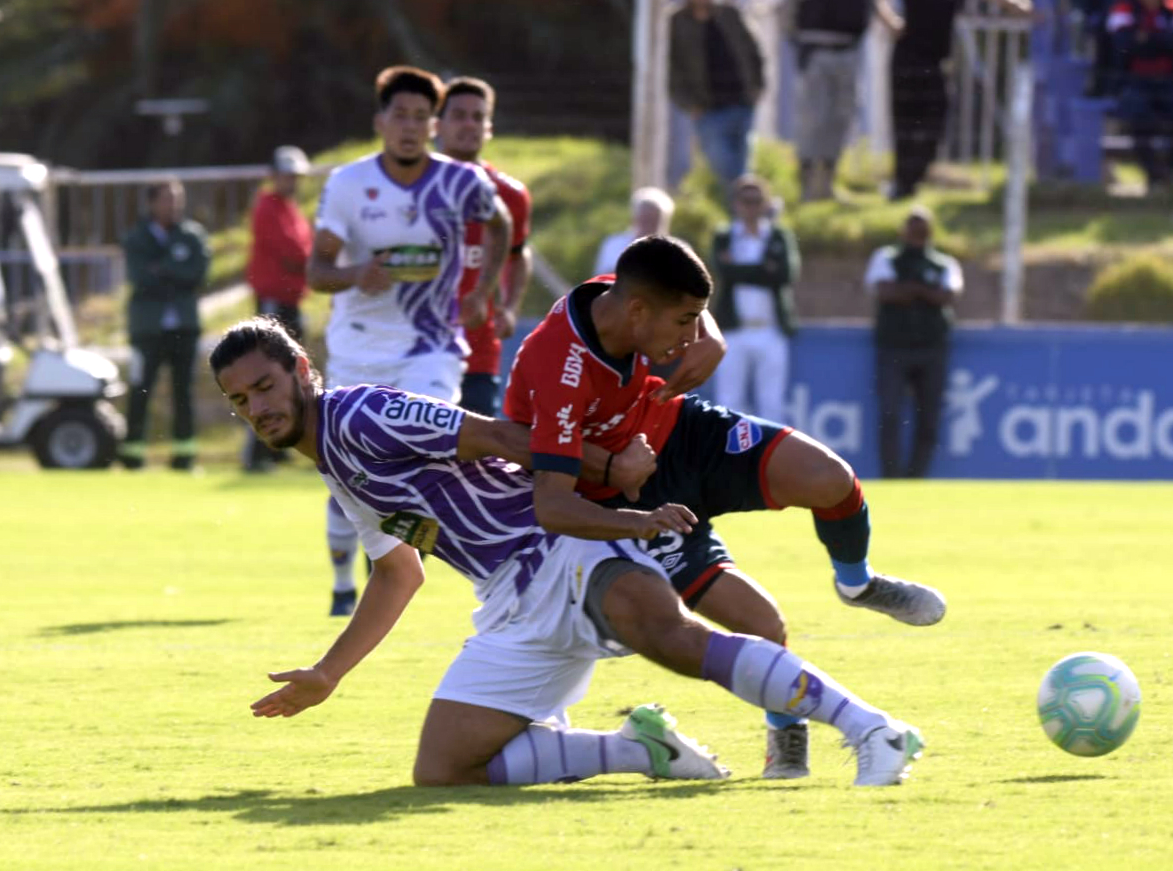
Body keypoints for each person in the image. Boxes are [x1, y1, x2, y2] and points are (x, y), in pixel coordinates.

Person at [211, 317, 926, 788]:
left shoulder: (362, 413)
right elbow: (399, 570)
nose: (258, 407)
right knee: (444, 770)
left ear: (303, 368)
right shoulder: (334, 465)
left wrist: (606, 471)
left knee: (674, 639)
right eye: (241, 400)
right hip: (512, 600)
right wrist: (331, 673)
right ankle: (640, 748)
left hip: (560, 542)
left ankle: (874, 731)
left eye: (266, 385)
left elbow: (496, 435)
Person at [503, 236, 945, 781]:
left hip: (681, 431)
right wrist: (622, 486)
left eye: (696, 319)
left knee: (830, 478)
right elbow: (552, 502)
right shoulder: (560, 366)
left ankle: (857, 583)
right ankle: (786, 740)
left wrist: (712, 336)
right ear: (639, 312)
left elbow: (673, 260)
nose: (690, 336)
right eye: (684, 322)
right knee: (763, 624)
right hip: (629, 497)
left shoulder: (619, 295)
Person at [306, 65, 514, 617]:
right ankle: (342, 583)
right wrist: (357, 274)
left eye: (421, 117)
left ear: (434, 125)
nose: (410, 126)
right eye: (400, 114)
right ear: (380, 121)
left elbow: (502, 226)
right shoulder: (349, 184)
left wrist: (483, 293)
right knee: (347, 478)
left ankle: (487, 579)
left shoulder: (461, 182)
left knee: (437, 460)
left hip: (431, 348)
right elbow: (316, 270)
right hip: (357, 348)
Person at [434, 76, 534, 418]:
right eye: (459, 115)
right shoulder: (414, 188)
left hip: (478, 354)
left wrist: (509, 306)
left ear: (489, 128)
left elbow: (519, 254)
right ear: (438, 124)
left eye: (478, 117)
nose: (469, 125)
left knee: (475, 460)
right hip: (417, 349)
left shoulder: (510, 194)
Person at [890, 0, 1031, 200]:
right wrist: (889, 19)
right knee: (904, 127)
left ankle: (912, 179)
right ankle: (903, 185)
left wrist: (1018, 7)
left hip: (935, 61)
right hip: (907, 56)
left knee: (935, 124)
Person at [119, 179, 211, 472]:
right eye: (168, 199)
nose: (175, 205)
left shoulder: (192, 235)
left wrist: (163, 269)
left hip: (184, 326)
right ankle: (133, 455)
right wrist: (175, 272)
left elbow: (198, 274)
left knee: (183, 391)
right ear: (152, 203)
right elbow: (140, 279)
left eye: (178, 198)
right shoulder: (137, 238)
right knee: (141, 389)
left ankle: (184, 457)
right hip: (148, 329)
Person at [865, 207, 963, 479]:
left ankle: (917, 477)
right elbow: (884, 291)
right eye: (913, 226)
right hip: (894, 348)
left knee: (929, 417)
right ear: (903, 230)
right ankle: (891, 475)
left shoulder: (943, 263)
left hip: (931, 348)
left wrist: (909, 290)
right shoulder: (887, 257)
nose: (918, 232)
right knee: (890, 413)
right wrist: (924, 291)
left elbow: (948, 295)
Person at [784, 0, 904, 201]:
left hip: (849, 48)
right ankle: (808, 184)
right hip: (814, 48)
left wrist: (890, 22)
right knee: (813, 119)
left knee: (841, 118)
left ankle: (827, 183)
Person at [242, 145, 314, 472]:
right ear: (273, 176)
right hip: (273, 302)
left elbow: (305, 248)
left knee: (290, 376)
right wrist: (314, 263)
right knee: (265, 376)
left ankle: (278, 448)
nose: (291, 182)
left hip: (291, 300)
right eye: (286, 176)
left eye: (294, 177)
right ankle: (256, 454)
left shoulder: (289, 207)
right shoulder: (267, 207)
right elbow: (294, 252)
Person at [709, 175, 799, 424]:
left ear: (765, 203)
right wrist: (762, 269)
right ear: (736, 203)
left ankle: (771, 461)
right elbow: (722, 272)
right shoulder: (725, 236)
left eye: (756, 200)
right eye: (745, 200)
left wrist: (738, 269)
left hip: (770, 330)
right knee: (729, 401)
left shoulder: (778, 236)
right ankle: (728, 460)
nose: (751, 206)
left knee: (772, 403)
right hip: (734, 330)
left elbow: (785, 274)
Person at [669, 0, 767, 189]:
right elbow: (672, 69)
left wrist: (758, 86)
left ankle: (746, 211)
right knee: (726, 169)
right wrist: (689, 104)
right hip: (708, 109)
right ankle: (754, 208)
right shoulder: (677, 22)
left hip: (741, 101)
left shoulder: (729, 14)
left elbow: (753, 50)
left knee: (742, 168)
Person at [1107, 0, 1173, 190]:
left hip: (1170, 82)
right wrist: (1163, 41)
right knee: (1138, 118)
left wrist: (1146, 39)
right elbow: (1122, 45)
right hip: (1135, 81)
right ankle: (1153, 174)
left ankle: (1170, 172)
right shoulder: (1123, 9)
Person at [594, 187, 675, 276]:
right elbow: (602, 279)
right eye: (645, 219)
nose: (649, 225)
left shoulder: (676, 250)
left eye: (654, 220)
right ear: (634, 219)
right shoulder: (613, 245)